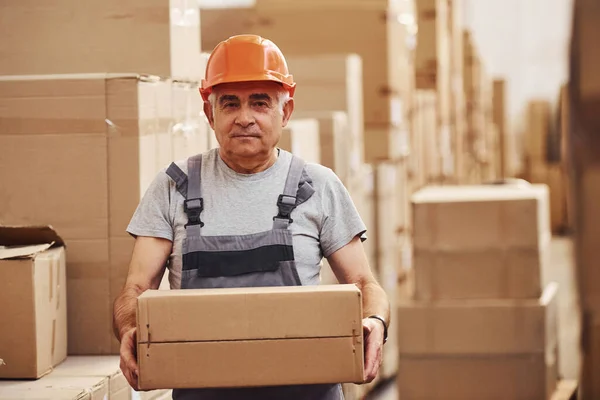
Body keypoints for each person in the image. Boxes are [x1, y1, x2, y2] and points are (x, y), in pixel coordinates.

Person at [113, 34, 390, 400]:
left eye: (260, 103)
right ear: (210, 112)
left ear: (285, 111)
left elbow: (363, 282)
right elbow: (135, 289)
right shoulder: (173, 187)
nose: (245, 118)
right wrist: (132, 327)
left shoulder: (317, 185)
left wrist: (374, 321)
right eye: (230, 104)